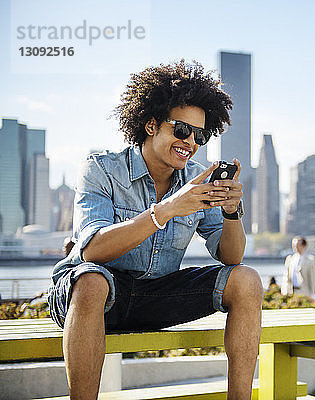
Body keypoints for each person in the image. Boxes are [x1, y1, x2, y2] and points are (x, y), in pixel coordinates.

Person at [47, 60, 262, 400]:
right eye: (181, 129)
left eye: (200, 135)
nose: (190, 141)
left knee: (247, 279)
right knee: (91, 280)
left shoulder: (197, 179)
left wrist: (233, 212)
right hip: (92, 299)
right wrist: (167, 210)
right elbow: (91, 251)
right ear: (150, 124)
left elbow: (230, 256)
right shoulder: (102, 169)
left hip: (154, 296)